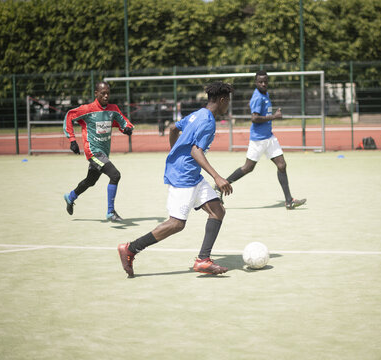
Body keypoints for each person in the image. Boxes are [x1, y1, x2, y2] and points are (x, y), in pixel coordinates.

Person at [117, 81, 234, 277]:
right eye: (228, 101)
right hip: (184, 176)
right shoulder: (208, 121)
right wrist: (217, 177)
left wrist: (175, 153)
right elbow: (196, 151)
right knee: (176, 224)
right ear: (222, 100)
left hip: (189, 172)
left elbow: (172, 128)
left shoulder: (198, 114)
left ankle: (203, 260)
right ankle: (130, 249)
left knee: (217, 210)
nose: (228, 105)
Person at [217, 70, 306, 209]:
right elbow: (254, 118)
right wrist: (274, 117)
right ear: (256, 82)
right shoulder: (257, 97)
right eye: (260, 82)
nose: (263, 84)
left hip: (269, 137)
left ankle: (289, 200)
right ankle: (219, 186)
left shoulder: (265, 94)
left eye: (265, 81)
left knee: (282, 165)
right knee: (247, 168)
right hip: (258, 139)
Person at [63, 81, 134, 222]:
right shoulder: (87, 109)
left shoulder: (113, 109)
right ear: (96, 94)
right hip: (93, 152)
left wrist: (127, 128)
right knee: (115, 175)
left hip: (104, 153)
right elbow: (69, 116)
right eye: (103, 93)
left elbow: (123, 121)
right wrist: (72, 140)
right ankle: (110, 212)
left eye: (108, 93)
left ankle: (70, 196)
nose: (106, 96)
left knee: (91, 181)